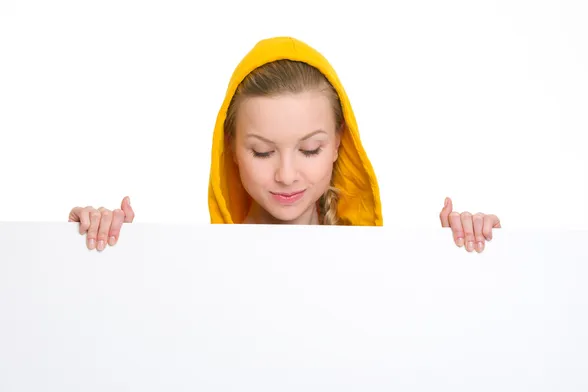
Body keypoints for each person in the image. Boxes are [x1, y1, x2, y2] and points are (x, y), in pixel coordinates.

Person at [68, 36, 501, 253]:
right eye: (261, 151)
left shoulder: (379, 265)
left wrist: (460, 252)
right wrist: (100, 242)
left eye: (309, 149)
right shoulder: (194, 265)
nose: (287, 174)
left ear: (338, 146)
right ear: (231, 152)